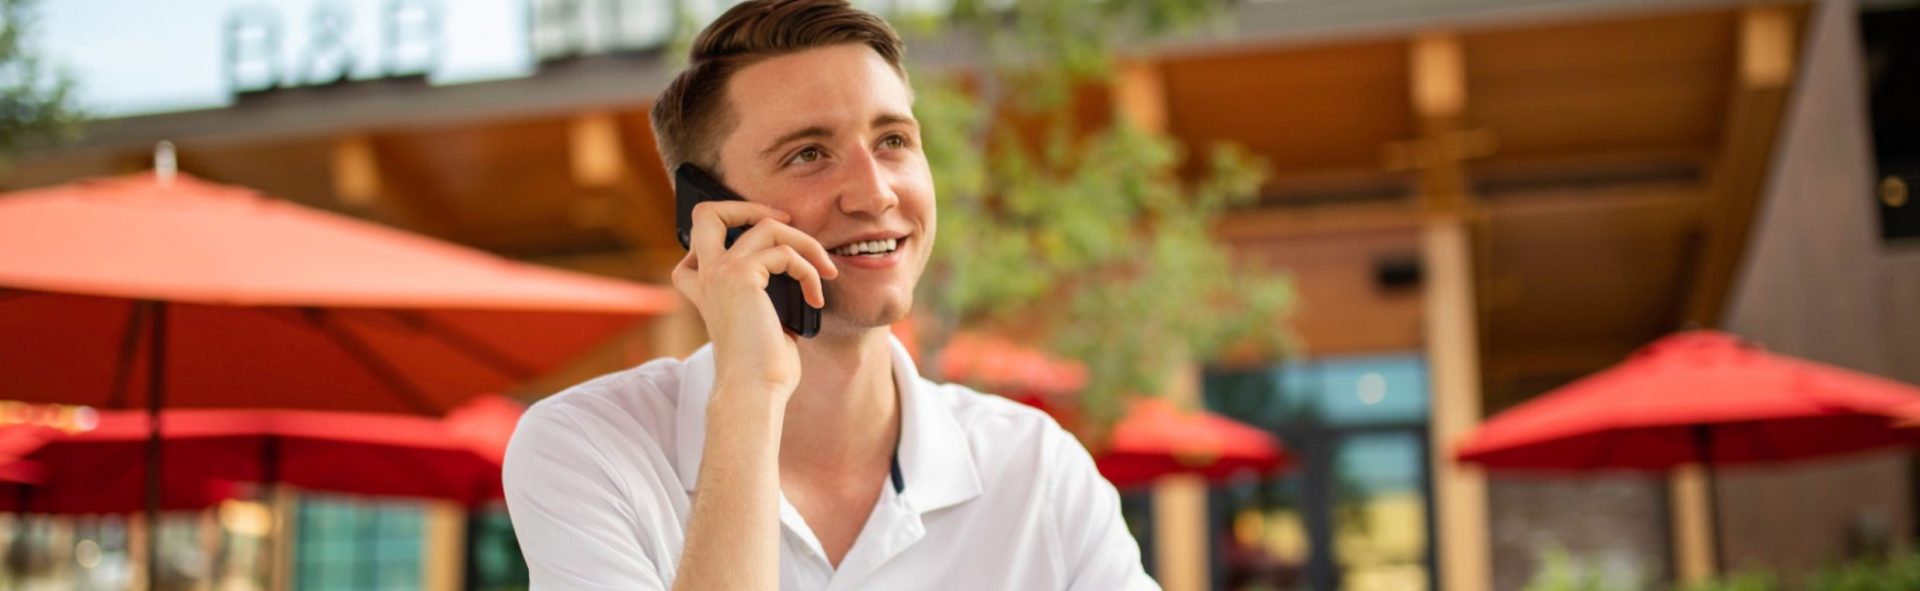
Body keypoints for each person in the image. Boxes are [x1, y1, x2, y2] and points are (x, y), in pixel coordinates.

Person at [501, 0, 1157, 588]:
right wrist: (750, 399)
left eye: (893, 140)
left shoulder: (1037, 468)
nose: (875, 193)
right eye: (808, 154)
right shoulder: (588, 447)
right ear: (708, 213)